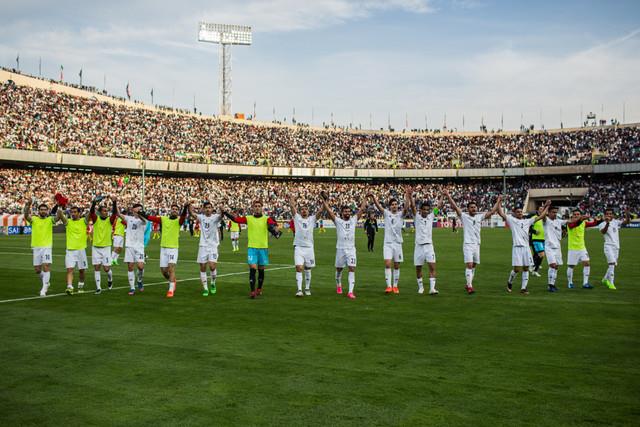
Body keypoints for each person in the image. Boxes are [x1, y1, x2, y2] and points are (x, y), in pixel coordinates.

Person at [444, 190, 501, 294]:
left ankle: (468, 283)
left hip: (477, 244)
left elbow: (492, 211)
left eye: (475, 207)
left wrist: (498, 201)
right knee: (469, 265)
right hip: (468, 244)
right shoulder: (464, 216)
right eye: (471, 207)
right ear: (468, 209)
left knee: (474, 265)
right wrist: (448, 195)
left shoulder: (480, 216)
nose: (474, 209)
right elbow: (455, 206)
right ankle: (470, 286)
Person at [225, 200, 282, 299]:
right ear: (252, 208)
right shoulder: (248, 218)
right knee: (252, 268)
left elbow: (274, 226)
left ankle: (259, 288)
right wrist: (225, 212)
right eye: (255, 206)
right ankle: (252, 291)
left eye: (259, 206)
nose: (257, 207)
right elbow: (236, 220)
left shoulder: (266, 219)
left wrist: (276, 229)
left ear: (262, 207)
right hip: (252, 247)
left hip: (263, 248)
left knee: (261, 270)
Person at [496, 200, 550, 295]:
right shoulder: (512, 220)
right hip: (517, 248)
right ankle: (510, 282)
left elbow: (541, 216)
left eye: (521, 212)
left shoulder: (527, 221)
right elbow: (501, 213)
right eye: (518, 212)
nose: (520, 213)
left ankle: (523, 288)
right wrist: (499, 202)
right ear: (514, 213)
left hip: (526, 248)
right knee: (517, 269)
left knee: (526, 268)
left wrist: (547, 207)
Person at [320, 192, 368, 300]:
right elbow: (329, 211)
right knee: (339, 270)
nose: (347, 213)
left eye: (348, 211)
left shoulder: (353, 220)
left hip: (351, 249)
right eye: (345, 211)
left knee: (352, 268)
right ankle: (339, 285)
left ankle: (350, 292)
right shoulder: (338, 221)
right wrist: (324, 201)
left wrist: (365, 198)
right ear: (342, 213)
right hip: (340, 249)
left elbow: (361, 210)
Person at [370, 189, 411, 294]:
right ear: (390, 206)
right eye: (392, 204)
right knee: (388, 264)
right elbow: (378, 206)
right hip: (388, 243)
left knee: (397, 265)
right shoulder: (386, 213)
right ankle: (388, 286)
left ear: (398, 206)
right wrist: (373, 197)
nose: (394, 206)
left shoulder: (401, 214)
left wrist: (407, 196)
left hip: (397, 243)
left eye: (396, 204)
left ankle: (395, 286)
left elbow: (406, 208)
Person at [143, 203, 188, 298]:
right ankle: (173, 280)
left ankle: (171, 289)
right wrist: (142, 213)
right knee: (163, 271)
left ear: (178, 211)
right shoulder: (163, 219)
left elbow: (183, 217)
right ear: (170, 210)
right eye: (173, 209)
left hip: (173, 248)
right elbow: (151, 218)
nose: (174, 210)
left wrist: (185, 208)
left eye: (176, 209)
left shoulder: (178, 221)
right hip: (163, 248)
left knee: (171, 268)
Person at [407, 188, 443, 295]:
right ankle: (421, 288)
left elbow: (438, 207)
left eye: (428, 209)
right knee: (418, 268)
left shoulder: (431, 216)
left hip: (429, 246)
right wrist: (410, 196)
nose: (426, 211)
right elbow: (413, 207)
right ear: (421, 210)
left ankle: (432, 288)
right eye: (424, 209)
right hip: (418, 246)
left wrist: (443, 196)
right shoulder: (416, 217)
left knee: (432, 267)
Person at [113, 197, 147, 295]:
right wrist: (115, 202)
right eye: (138, 209)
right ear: (133, 210)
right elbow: (118, 214)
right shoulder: (129, 218)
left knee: (140, 266)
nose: (139, 211)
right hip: (129, 246)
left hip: (139, 246)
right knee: (130, 267)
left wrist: (140, 214)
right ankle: (132, 288)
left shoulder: (143, 219)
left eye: (140, 209)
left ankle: (139, 280)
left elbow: (143, 220)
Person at [189, 201, 223, 296]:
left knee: (212, 266)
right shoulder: (201, 217)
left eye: (210, 207)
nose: (208, 209)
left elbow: (221, 216)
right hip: (203, 245)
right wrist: (189, 206)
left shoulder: (215, 217)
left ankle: (212, 283)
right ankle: (205, 288)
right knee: (203, 267)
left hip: (213, 246)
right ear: (203, 209)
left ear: (212, 209)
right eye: (206, 207)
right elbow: (192, 213)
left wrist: (222, 210)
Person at [23, 196, 55, 296]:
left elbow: (58, 217)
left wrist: (59, 206)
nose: (43, 211)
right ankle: (46, 282)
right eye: (41, 209)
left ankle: (44, 288)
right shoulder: (34, 219)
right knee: (37, 270)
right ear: (38, 211)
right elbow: (25, 215)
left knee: (46, 266)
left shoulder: (50, 219)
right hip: (36, 246)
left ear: (47, 211)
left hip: (46, 246)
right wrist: (28, 205)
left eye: (45, 210)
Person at [289, 194, 318, 297]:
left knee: (308, 269)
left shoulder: (312, 219)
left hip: (309, 248)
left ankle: (307, 288)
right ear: (300, 211)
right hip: (299, 247)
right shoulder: (297, 218)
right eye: (302, 209)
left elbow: (320, 212)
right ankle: (299, 290)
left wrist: (324, 201)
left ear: (308, 211)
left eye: (306, 209)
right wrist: (291, 199)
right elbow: (292, 207)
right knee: (298, 268)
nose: (304, 211)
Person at [56, 205, 89, 295]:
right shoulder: (68, 222)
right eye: (72, 212)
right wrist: (59, 205)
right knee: (70, 269)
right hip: (70, 250)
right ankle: (69, 287)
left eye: (75, 212)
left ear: (79, 213)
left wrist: (93, 204)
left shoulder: (84, 221)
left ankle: (81, 284)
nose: (73, 214)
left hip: (81, 250)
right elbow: (60, 215)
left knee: (82, 270)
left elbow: (90, 214)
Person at [89, 196, 118, 294]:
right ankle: (98, 288)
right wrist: (94, 203)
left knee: (106, 269)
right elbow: (92, 212)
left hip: (106, 247)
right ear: (100, 212)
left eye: (107, 211)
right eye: (104, 211)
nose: (106, 212)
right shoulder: (96, 219)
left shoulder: (110, 220)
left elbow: (114, 213)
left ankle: (110, 279)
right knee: (96, 267)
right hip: (96, 247)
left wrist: (114, 202)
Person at [566, 209, 600, 289]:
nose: (576, 216)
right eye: (575, 214)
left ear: (580, 215)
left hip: (582, 248)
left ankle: (585, 283)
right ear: (572, 215)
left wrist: (599, 219)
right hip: (573, 248)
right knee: (571, 266)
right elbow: (574, 225)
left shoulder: (583, 222)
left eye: (578, 214)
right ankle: (570, 282)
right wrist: (581, 219)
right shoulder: (569, 223)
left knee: (587, 263)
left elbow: (594, 224)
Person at [599, 208, 630, 290]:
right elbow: (603, 232)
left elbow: (626, 222)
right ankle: (611, 283)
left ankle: (605, 279)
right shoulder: (602, 224)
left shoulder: (616, 222)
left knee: (613, 265)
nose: (609, 215)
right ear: (605, 215)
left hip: (616, 247)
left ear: (613, 215)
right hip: (608, 246)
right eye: (607, 214)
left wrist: (627, 214)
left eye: (610, 214)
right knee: (612, 263)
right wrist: (607, 223)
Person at [543, 206, 567, 292]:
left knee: (556, 266)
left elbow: (570, 221)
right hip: (549, 246)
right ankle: (550, 285)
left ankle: (553, 284)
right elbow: (542, 216)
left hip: (558, 247)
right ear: (548, 213)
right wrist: (546, 206)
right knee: (552, 265)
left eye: (556, 212)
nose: (555, 214)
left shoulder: (558, 221)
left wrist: (580, 218)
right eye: (553, 212)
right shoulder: (546, 221)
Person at [529, 205, 546, 277]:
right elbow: (529, 227)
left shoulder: (544, 219)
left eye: (543, 209)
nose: (542, 210)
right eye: (540, 209)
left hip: (543, 239)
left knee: (539, 255)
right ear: (538, 210)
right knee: (541, 254)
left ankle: (533, 266)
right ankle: (534, 269)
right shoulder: (534, 218)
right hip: (536, 239)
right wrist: (534, 231)